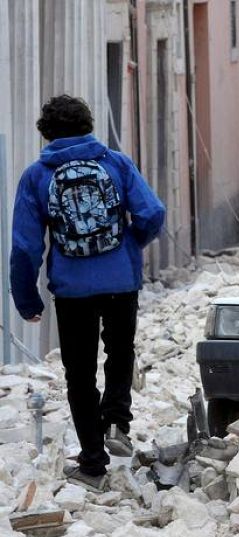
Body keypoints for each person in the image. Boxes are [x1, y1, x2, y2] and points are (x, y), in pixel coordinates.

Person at [10, 95, 165, 491]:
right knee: (120, 352)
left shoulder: (36, 176)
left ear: (46, 134)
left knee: (79, 373)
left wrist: (27, 299)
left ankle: (93, 465)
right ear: (88, 126)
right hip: (120, 282)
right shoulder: (115, 163)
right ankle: (117, 421)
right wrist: (131, 244)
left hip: (72, 289)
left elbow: (26, 246)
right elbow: (152, 213)